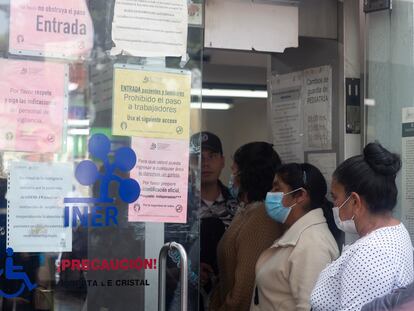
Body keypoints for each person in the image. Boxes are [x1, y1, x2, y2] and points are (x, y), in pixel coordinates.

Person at [310, 142, 414, 311]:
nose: (333, 205)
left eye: (335, 197)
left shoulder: (371, 254)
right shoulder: (396, 230)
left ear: (355, 202)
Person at [250, 163, 340, 311]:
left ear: (300, 195)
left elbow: (308, 306)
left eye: (277, 188)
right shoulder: (299, 234)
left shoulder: (313, 245)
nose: (270, 194)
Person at [209, 142, 284, 311]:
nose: (232, 177)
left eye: (234, 171)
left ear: (247, 175)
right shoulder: (246, 210)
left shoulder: (263, 218)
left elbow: (244, 292)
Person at [189, 132, 238, 310]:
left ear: (223, 161)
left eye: (212, 156)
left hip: (228, 295)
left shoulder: (238, 204)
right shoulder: (178, 205)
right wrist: (187, 270)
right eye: (198, 157)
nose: (205, 163)